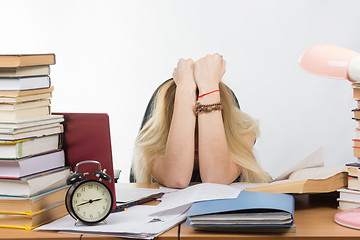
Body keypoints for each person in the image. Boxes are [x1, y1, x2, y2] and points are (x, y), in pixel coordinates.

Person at [132, 53, 271, 188]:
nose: (197, 140)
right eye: (192, 129)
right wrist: (185, 87)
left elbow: (215, 179)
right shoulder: (152, 143)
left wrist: (209, 86)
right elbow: (178, 179)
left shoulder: (243, 131)